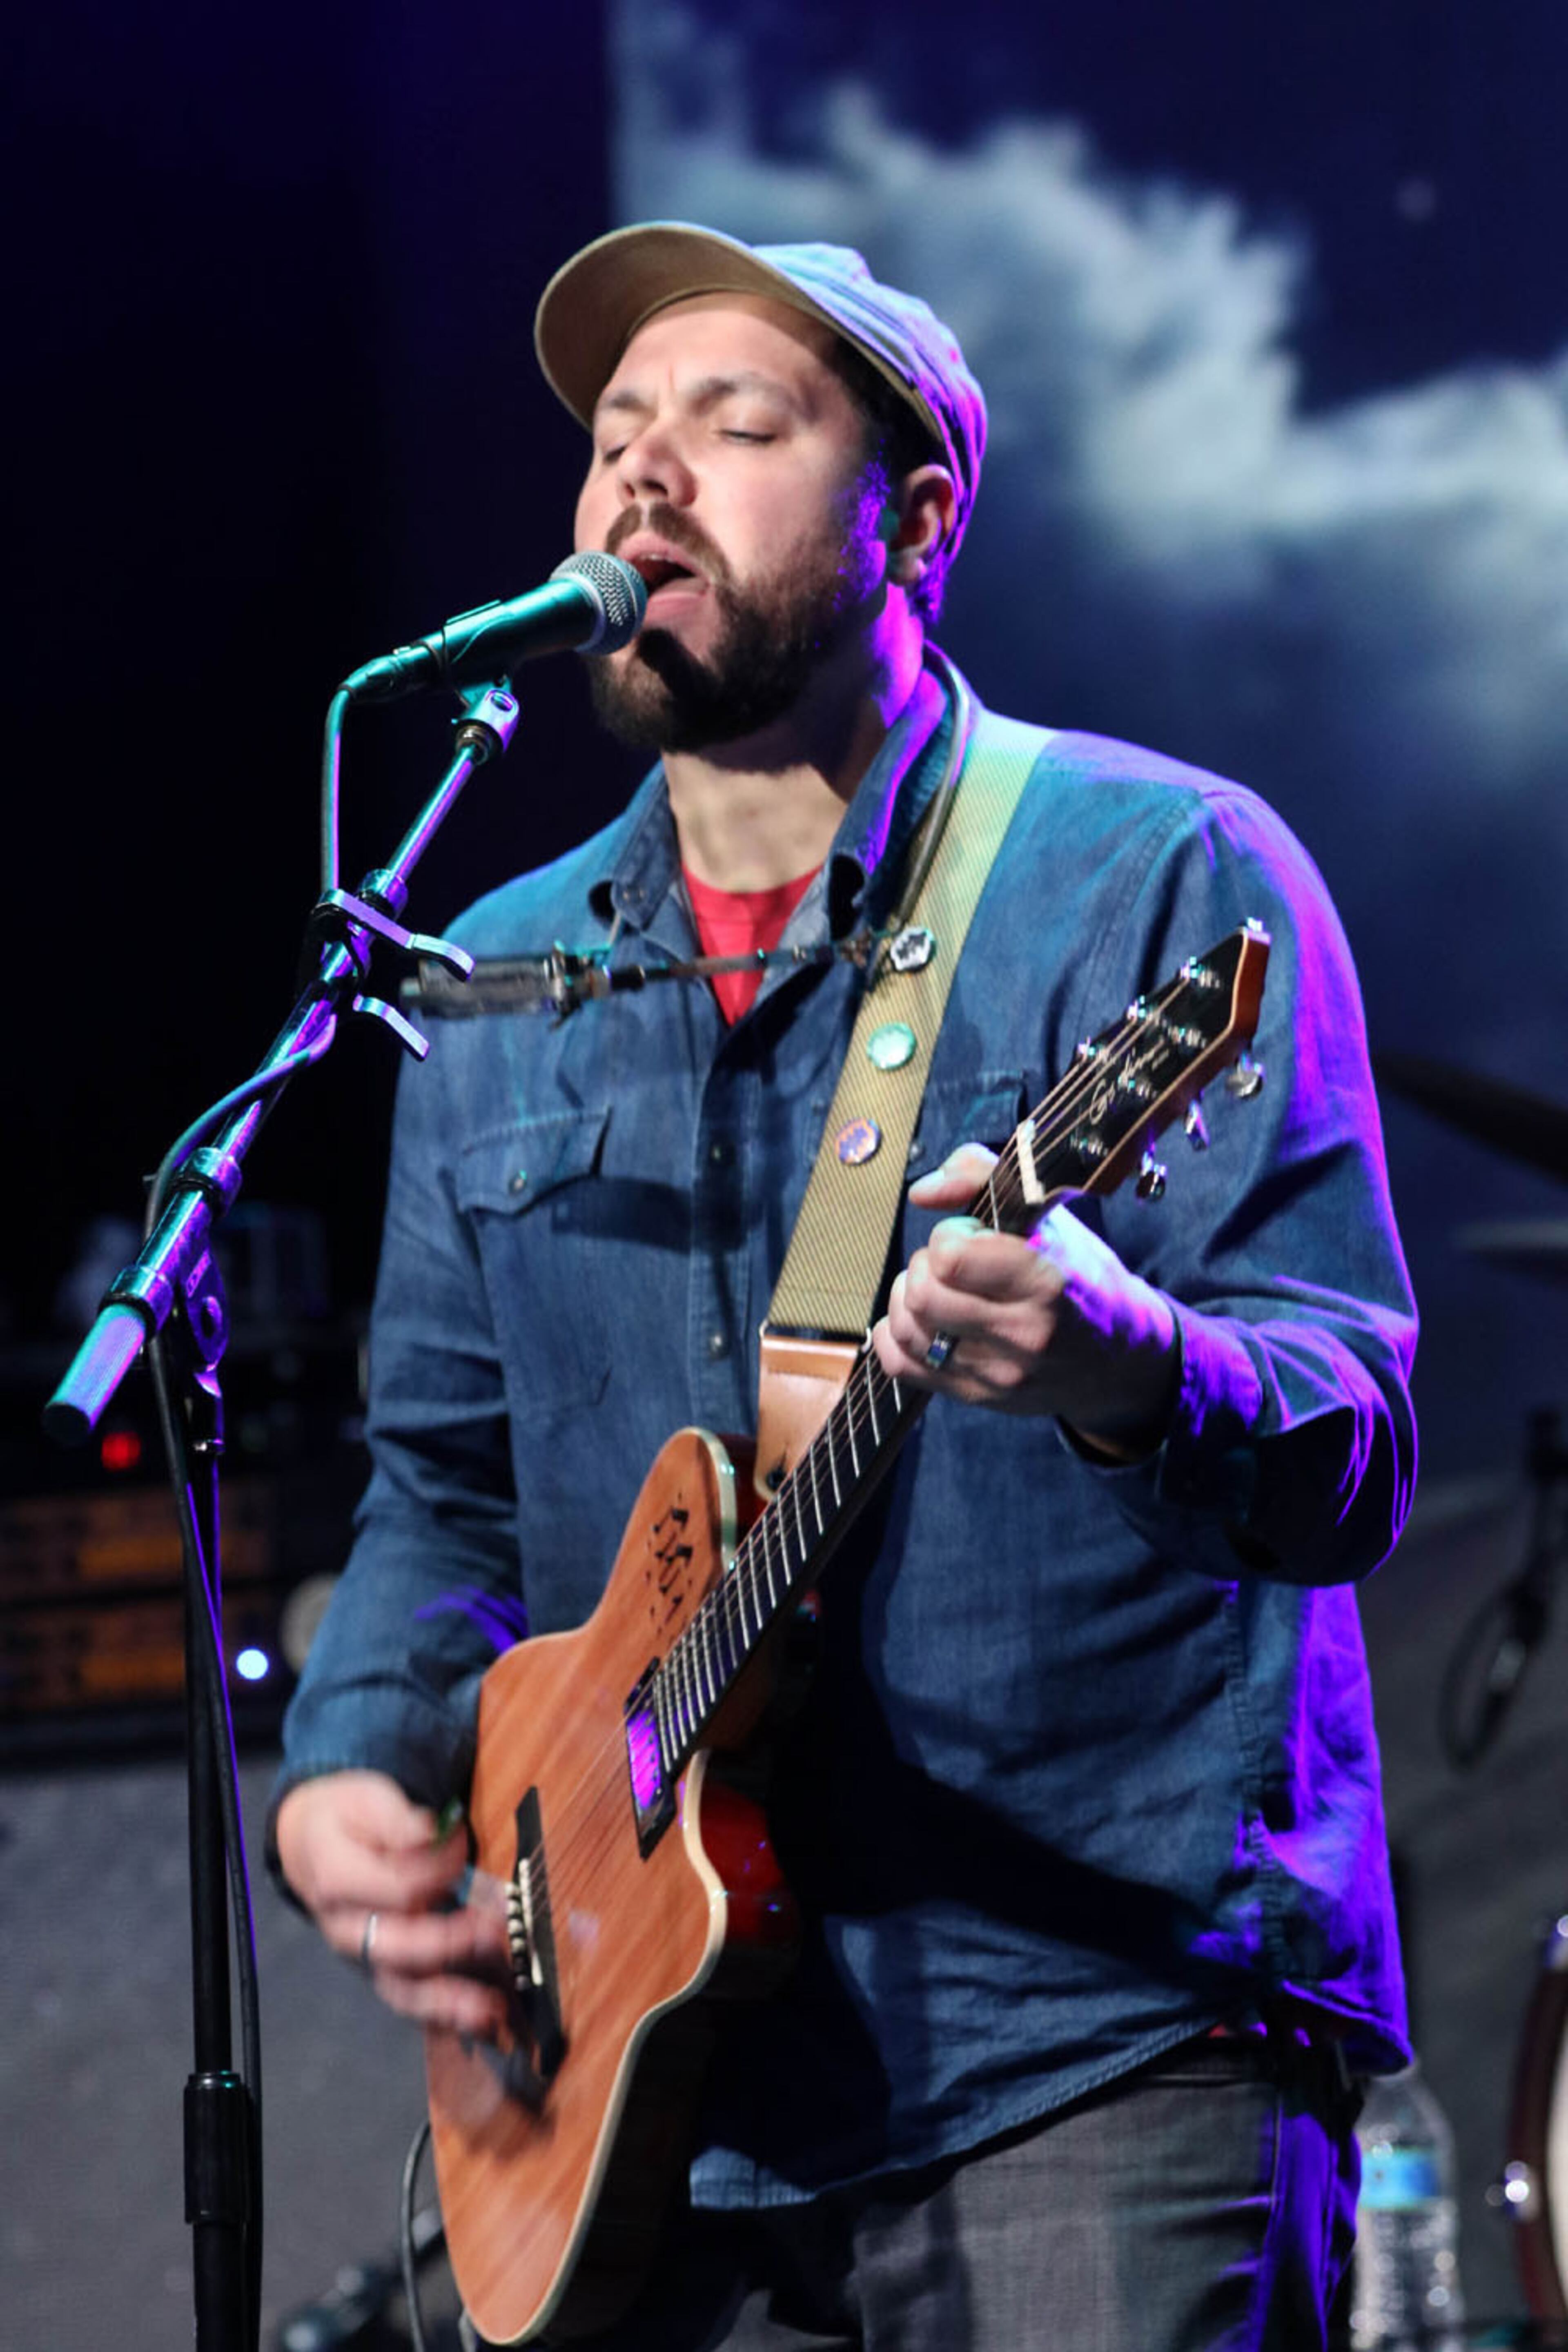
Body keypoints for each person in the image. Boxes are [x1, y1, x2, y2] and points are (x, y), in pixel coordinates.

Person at [274, 224, 1418, 2350]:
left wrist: (1123, 1361)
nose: (645, 476)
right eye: (618, 434)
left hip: (1086, 2044)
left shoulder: (1159, 873)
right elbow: (437, 1488)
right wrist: (352, 1765)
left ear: (916, 520)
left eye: (735, 423)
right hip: (622, 2091)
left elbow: (1351, 1442)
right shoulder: (496, 973)